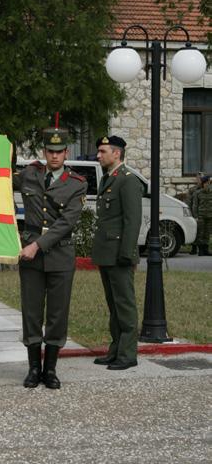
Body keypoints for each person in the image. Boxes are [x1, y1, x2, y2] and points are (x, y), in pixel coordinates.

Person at [15, 126, 87, 389]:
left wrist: (37, 245)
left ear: (67, 152)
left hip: (59, 254)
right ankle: (34, 368)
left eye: (59, 151)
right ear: (43, 151)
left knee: (57, 314)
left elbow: (66, 223)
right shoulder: (29, 174)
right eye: (50, 151)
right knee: (32, 312)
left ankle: (51, 369)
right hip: (30, 257)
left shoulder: (77, 184)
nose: (54, 156)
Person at [91, 135, 142, 371]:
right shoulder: (109, 178)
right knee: (114, 305)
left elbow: (132, 221)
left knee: (125, 305)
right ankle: (116, 350)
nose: (98, 155)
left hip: (119, 253)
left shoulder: (127, 180)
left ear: (116, 153)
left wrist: (127, 253)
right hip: (106, 252)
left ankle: (128, 353)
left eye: (103, 151)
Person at [194, 175, 212, 256]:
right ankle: (200, 250)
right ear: (203, 183)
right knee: (200, 233)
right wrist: (196, 216)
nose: (208, 184)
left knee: (207, 233)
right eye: (207, 183)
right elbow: (195, 205)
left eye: (209, 183)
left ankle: (206, 249)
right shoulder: (198, 193)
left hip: (210, 215)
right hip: (201, 216)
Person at [188, 173, 204, 254]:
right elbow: (189, 202)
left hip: (203, 212)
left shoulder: (206, 189)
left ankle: (202, 248)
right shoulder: (192, 190)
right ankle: (194, 248)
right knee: (195, 230)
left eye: (201, 178)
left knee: (202, 231)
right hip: (194, 213)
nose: (199, 180)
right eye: (198, 178)